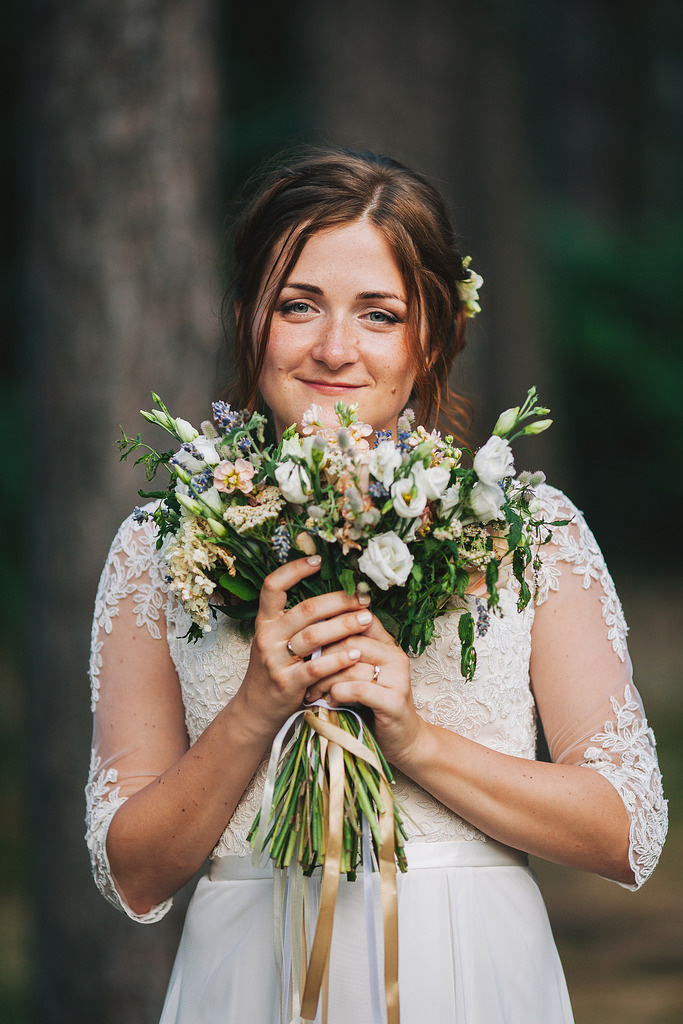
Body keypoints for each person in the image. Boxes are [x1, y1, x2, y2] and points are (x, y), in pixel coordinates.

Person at [85, 147, 667, 1024]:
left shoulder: (529, 530)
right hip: (247, 981)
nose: (333, 348)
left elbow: (625, 832)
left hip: (468, 974)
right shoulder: (157, 546)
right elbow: (132, 872)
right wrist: (255, 708)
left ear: (431, 334)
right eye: (297, 306)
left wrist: (412, 736)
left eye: (378, 315)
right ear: (248, 316)